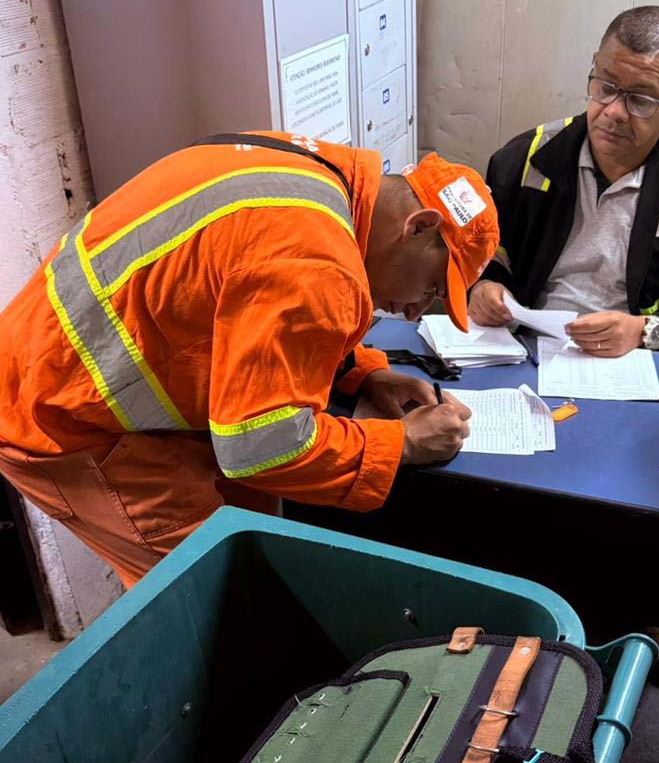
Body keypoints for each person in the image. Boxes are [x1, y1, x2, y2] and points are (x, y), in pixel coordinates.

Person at [0, 133, 498, 587]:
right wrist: (403, 443)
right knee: (218, 595)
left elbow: (258, 308)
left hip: (74, 365)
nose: (414, 312)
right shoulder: (317, 262)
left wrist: (362, 373)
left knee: (261, 532)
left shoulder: (323, 172)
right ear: (419, 226)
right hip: (61, 416)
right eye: (432, 288)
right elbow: (262, 449)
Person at [470, 6, 659, 358]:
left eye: (640, 100)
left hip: (639, 361)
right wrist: (485, 287)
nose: (613, 111)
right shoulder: (526, 160)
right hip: (524, 350)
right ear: (594, 65)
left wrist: (646, 330)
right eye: (605, 86)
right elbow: (483, 256)